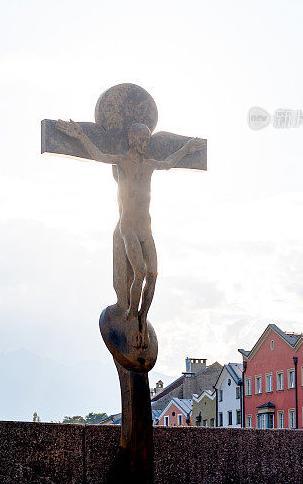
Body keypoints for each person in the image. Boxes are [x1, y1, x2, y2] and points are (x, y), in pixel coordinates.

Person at [56, 118, 203, 345]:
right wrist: (80, 135)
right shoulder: (123, 162)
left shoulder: (150, 164)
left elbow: (169, 162)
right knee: (140, 272)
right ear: (132, 140)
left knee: (153, 275)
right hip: (129, 227)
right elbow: (99, 155)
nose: (144, 144)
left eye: (146, 140)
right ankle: (131, 316)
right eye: (140, 140)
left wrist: (187, 149)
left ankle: (142, 318)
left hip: (146, 228)